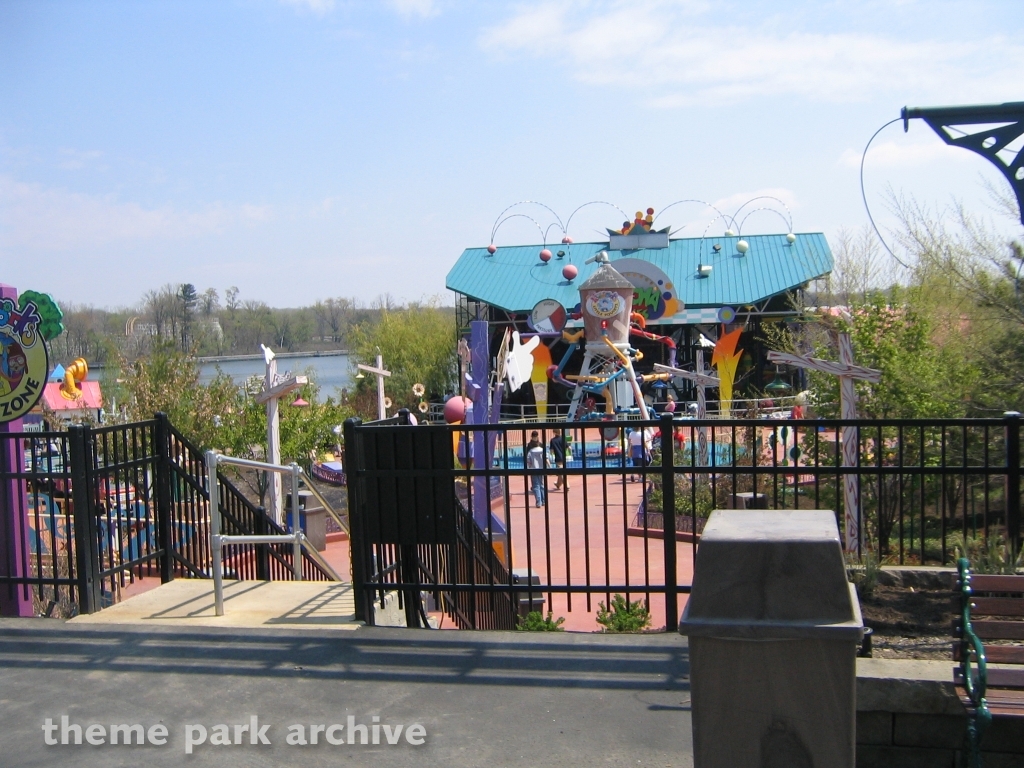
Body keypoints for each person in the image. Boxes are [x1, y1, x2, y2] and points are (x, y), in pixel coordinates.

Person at [526, 431, 546, 507]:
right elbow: (546, 457)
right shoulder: (541, 445)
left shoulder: (529, 446)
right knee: (541, 484)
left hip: (534, 467)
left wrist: (529, 465)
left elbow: (527, 458)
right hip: (541, 467)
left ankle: (539, 502)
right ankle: (543, 500)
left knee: (536, 485)